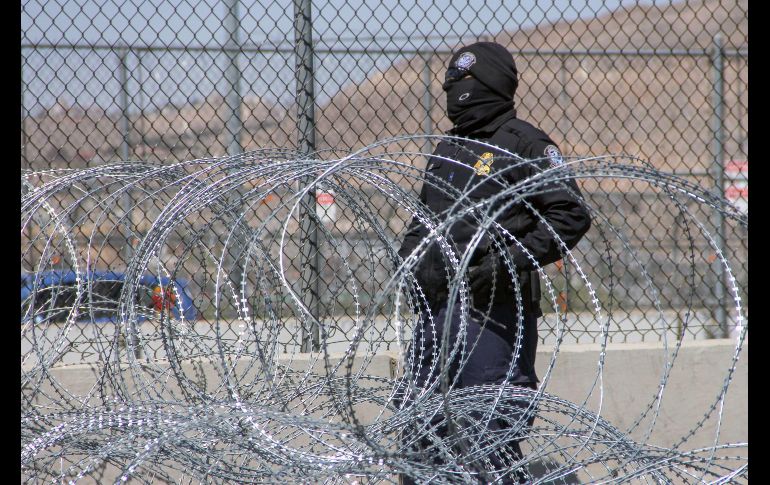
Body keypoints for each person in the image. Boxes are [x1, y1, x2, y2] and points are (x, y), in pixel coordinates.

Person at [396, 42, 592, 484]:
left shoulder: (524, 143)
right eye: (453, 83)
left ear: (495, 85)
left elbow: (570, 213)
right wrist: (412, 262)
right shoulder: (448, 149)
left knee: (487, 434)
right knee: (421, 434)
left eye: (470, 82)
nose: (459, 92)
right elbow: (421, 220)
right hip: (438, 312)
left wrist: (507, 260)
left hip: (494, 313)